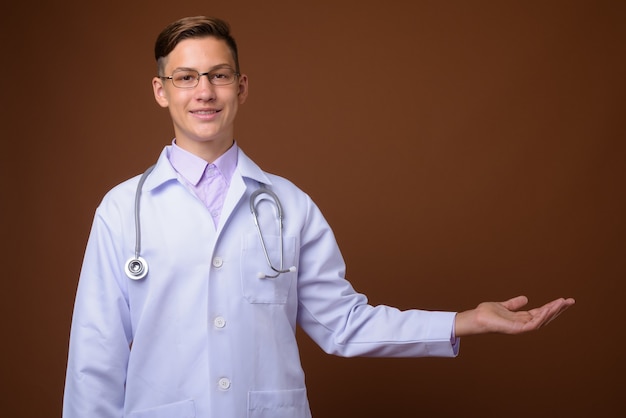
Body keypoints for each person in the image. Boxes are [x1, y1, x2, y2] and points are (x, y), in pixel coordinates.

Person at [63, 15, 575, 418]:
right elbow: (96, 359)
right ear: (161, 91)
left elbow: (345, 324)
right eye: (186, 77)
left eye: (219, 76)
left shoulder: (289, 205)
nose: (204, 92)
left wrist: (464, 322)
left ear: (240, 87)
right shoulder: (121, 210)